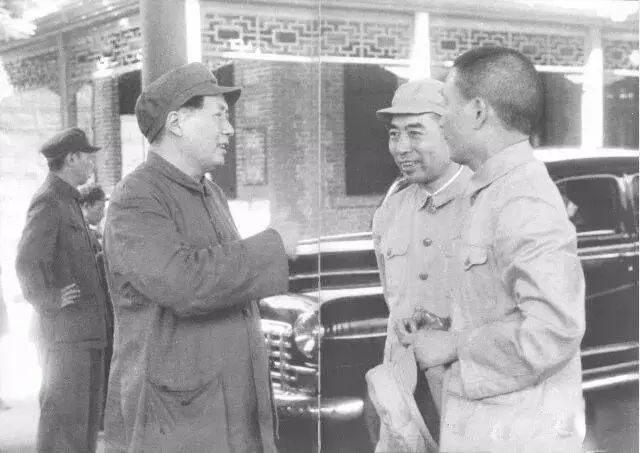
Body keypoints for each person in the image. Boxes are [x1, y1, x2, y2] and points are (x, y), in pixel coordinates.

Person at [396, 46, 586, 452]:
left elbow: (553, 331)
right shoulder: (492, 190)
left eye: (447, 106)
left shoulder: (522, 200)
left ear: (479, 112)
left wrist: (453, 345)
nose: (441, 120)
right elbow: (501, 305)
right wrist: (450, 326)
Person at [102, 62, 295, 452]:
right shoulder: (135, 197)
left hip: (227, 408)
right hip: (177, 419)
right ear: (177, 122)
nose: (230, 129)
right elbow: (184, 284)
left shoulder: (210, 193)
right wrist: (273, 247)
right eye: (219, 115)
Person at [367, 78, 472, 452]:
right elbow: (391, 298)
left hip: (472, 398)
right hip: (405, 400)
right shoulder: (391, 210)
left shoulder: (486, 203)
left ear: (450, 131)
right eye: (394, 134)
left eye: (415, 133)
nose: (401, 147)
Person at [15, 128, 109, 452]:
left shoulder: (69, 200)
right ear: (71, 159)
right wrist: (50, 298)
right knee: (64, 430)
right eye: (87, 157)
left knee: (83, 429)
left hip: (85, 334)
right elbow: (27, 261)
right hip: (65, 337)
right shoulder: (49, 200)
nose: (92, 163)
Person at [78, 183, 113, 427]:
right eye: (99, 208)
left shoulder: (92, 234)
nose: (101, 213)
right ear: (86, 206)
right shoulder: (85, 236)